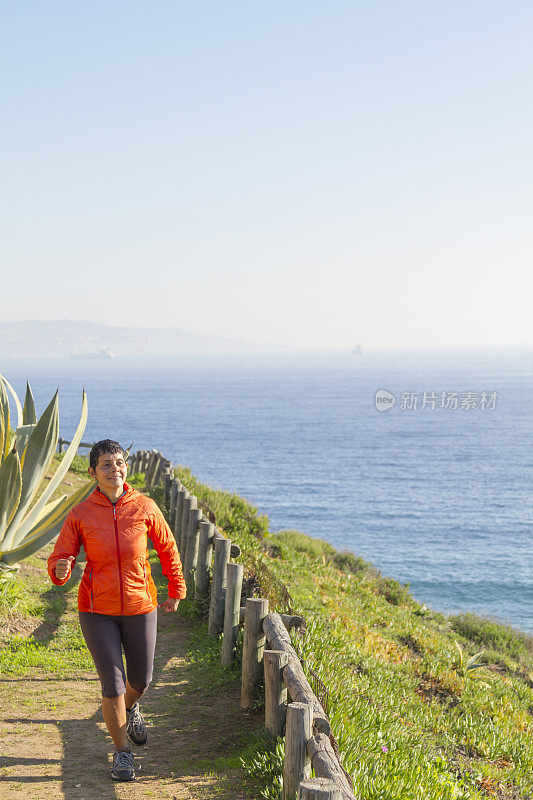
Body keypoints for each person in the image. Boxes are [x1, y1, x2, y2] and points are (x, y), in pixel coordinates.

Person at [48, 439, 186, 782]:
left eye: (119, 462)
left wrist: (176, 588)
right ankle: (122, 753)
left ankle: (131, 705)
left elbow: (167, 548)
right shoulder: (81, 514)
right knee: (112, 682)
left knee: (141, 679)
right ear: (94, 472)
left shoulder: (144, 506)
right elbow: (60, 555)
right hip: (96, 610)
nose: (115, 469)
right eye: (106, 464)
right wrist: (60, 568)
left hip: (140, 605)